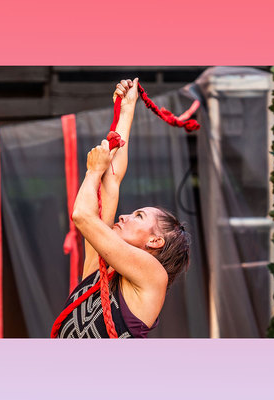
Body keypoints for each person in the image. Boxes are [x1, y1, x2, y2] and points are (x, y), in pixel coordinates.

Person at [55, 78, 191, 338]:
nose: (124, 215)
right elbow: (112, 181)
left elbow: (82, 215)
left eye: (138, 216)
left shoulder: (154, 276)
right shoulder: (101, 271)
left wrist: (93, 171)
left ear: (155, 240)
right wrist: (127, 110)